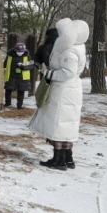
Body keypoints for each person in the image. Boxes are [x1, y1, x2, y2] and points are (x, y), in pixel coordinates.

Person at [29, 18, 89, 171]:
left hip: (64, 91)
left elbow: (67, 73)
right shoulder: (76, 48)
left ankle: (59, 160)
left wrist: (47, 73)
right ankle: (67, 158)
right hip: (69, 91)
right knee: (66, 125)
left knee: (59, 124)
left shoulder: (70, 51)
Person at [3, 42, 34, 109]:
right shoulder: (9, 55)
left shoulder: (27, 56)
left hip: (23, 77)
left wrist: (24, 67)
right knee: (8, 90)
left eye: (22, 51)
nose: (20, 52)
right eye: (19, 51)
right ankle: (7, 103)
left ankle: (19, 105)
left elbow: (31, 65)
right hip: (11, 76)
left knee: (21, 91)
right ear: (15, 50)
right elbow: (5, 64)